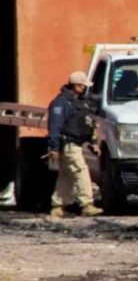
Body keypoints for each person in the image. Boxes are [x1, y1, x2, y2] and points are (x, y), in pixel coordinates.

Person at [47, 71, 103, 217]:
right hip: (68, 144)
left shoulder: (77, 102)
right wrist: (54, 147)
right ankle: (87, 204)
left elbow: (86, 124)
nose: (84, 89)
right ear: (77, 86)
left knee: (65, 176)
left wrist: (92, 143)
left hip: (76, 143)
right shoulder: (61, 103)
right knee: (80, 171)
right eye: (82, 86)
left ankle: (57, 206)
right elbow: (55, 126)